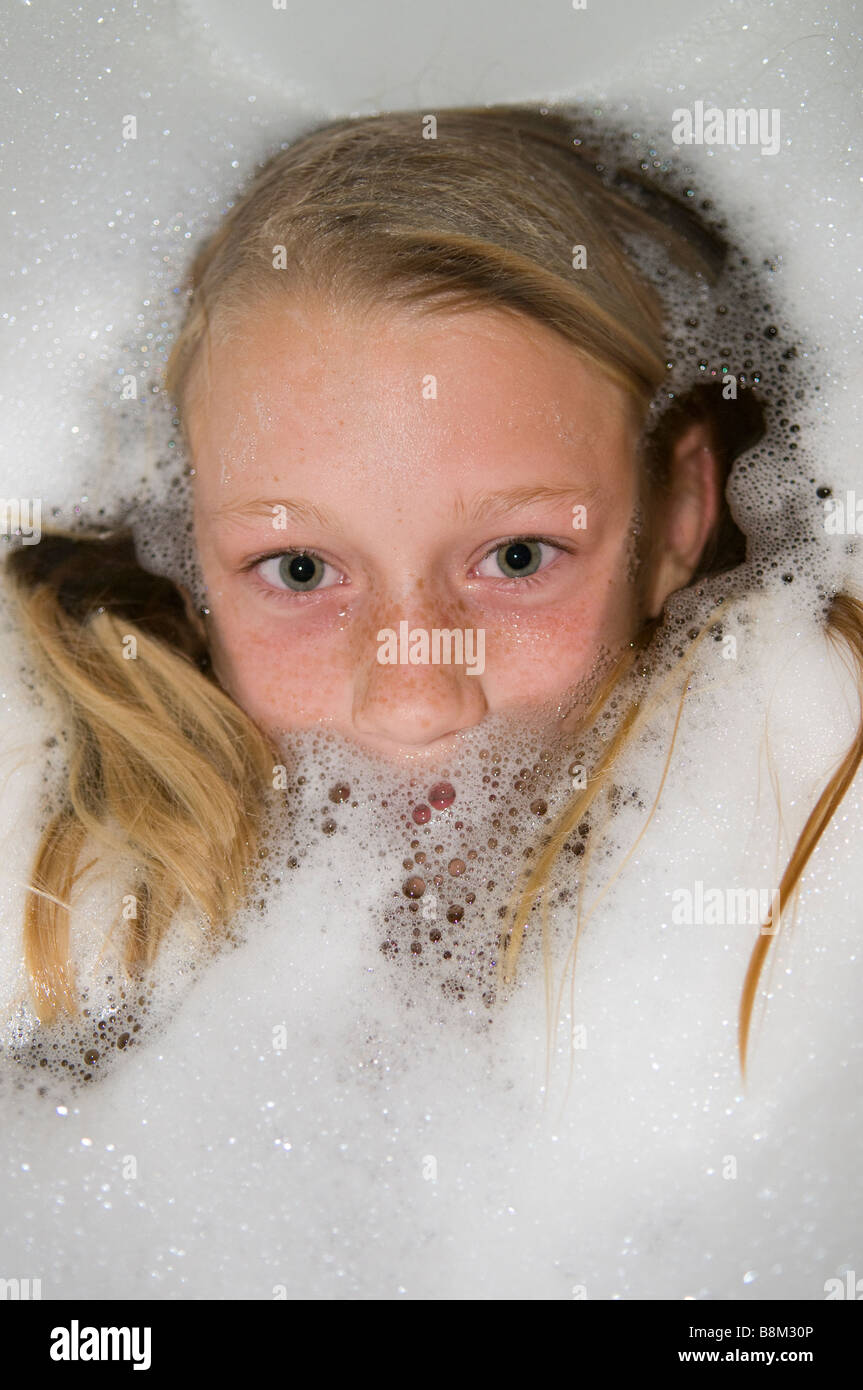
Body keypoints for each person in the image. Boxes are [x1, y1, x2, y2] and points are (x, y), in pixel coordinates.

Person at [5, 104, 861, 1079]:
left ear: (676, 516)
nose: (414, 697)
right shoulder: (56, 935)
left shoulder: (814, 913)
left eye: (515, 558)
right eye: (300, 569)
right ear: (186, 559)